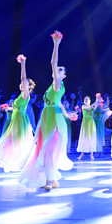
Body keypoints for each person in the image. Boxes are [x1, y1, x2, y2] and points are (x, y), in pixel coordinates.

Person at [19, 31, 78, 191]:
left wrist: (56, 44)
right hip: (46, 119)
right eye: (57, 69)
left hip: (54, 121)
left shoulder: (58, 84)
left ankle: (49, 180)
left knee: (49, 150)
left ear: (63, 76)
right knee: (44, 150)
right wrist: (68, 115)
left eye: (60, 70)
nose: (57, 70)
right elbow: (59, 104)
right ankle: (53, 179)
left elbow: (53, 62)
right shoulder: (52, 87)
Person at [0, 55, 36, 179]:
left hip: (20, 123)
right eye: (21, 83)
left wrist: (23, 64)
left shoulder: (25, 95)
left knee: (15, 146)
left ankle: (36, 169)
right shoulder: (20, 97)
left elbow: (23, 78)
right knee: (7, 145)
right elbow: (18, 108)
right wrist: (9, 108)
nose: (22, 84)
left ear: (29, 87)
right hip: (15, 122)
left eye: (24, 83)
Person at [77, 94, 101, 160]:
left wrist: (97, 99)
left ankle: (91, 154)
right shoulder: (83, 106)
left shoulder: (92, 107)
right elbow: (90, 107)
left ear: (90, 101)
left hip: (91, 123)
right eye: (85, 99)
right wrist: (95, 102)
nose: (86, 100)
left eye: (87, 99)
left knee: (92, 137)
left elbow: (95, 106)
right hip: (85, 123)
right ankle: (82, 154)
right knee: (84, 137)